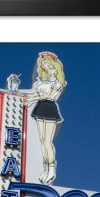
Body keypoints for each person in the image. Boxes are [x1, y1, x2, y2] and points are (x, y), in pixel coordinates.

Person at [19, 51, 66, 185]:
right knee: (42, 141)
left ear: (54, 68)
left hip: (50, 108)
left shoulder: (57, 84)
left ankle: (51, 168)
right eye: (44, 66)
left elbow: (47, 96)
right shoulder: (40, 83)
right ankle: (45, 168)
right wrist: (17, 90)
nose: (47, 68)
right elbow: (32, 91)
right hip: (39, 108)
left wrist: (31, 99)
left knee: (47, 142)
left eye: (49, 66)